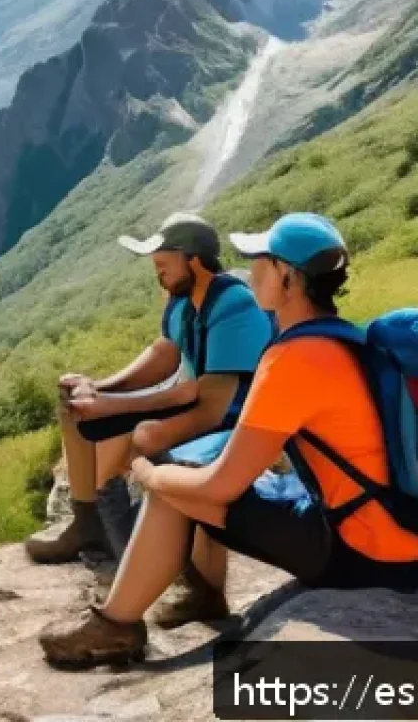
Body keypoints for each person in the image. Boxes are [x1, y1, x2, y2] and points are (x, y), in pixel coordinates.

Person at [38, 212, 418, 668]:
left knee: (173, 488)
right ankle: (190, 600)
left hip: (365, 552)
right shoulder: (341, 340)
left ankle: (117, 626)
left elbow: (221, 486)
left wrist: (147, 471)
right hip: (388, 528)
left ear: (288, 277)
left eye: (262, 259)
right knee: (184, 478)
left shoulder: (294, 361)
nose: (252, 268)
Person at [26, 212, 274, 624]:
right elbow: (164, 355)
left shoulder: (234, 305)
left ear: (192, 259)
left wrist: (114, 408)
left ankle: (153, 571)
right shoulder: (182, 301)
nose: (156, 271)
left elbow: (210, 403)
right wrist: (99, 388)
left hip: (239, 414)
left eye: (163, 262)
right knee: (74, 403)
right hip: (201, 402)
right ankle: (88, 525)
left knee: (135, 439)